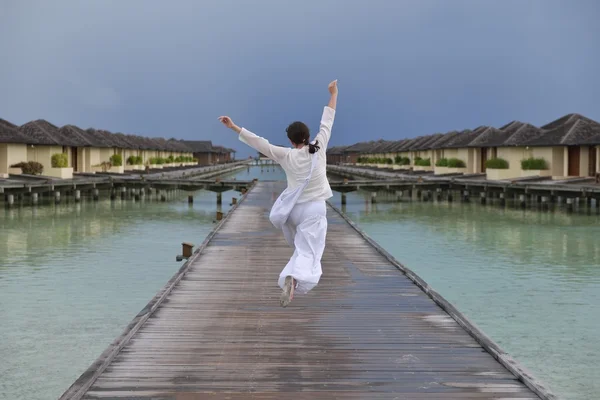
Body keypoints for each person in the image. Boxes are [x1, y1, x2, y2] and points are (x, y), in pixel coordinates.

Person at [219, 80, 338, 307]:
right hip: (314, 209)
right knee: (310, 252)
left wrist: (234, 127)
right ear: (307, 135)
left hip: (293, 211)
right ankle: (293, 279)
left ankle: (292, 279)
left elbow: (260, 143)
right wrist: (334, 93)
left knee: (301, 248)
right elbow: (328, 120)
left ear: (291, 141)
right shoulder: (319, 147)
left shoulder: (286, 155)